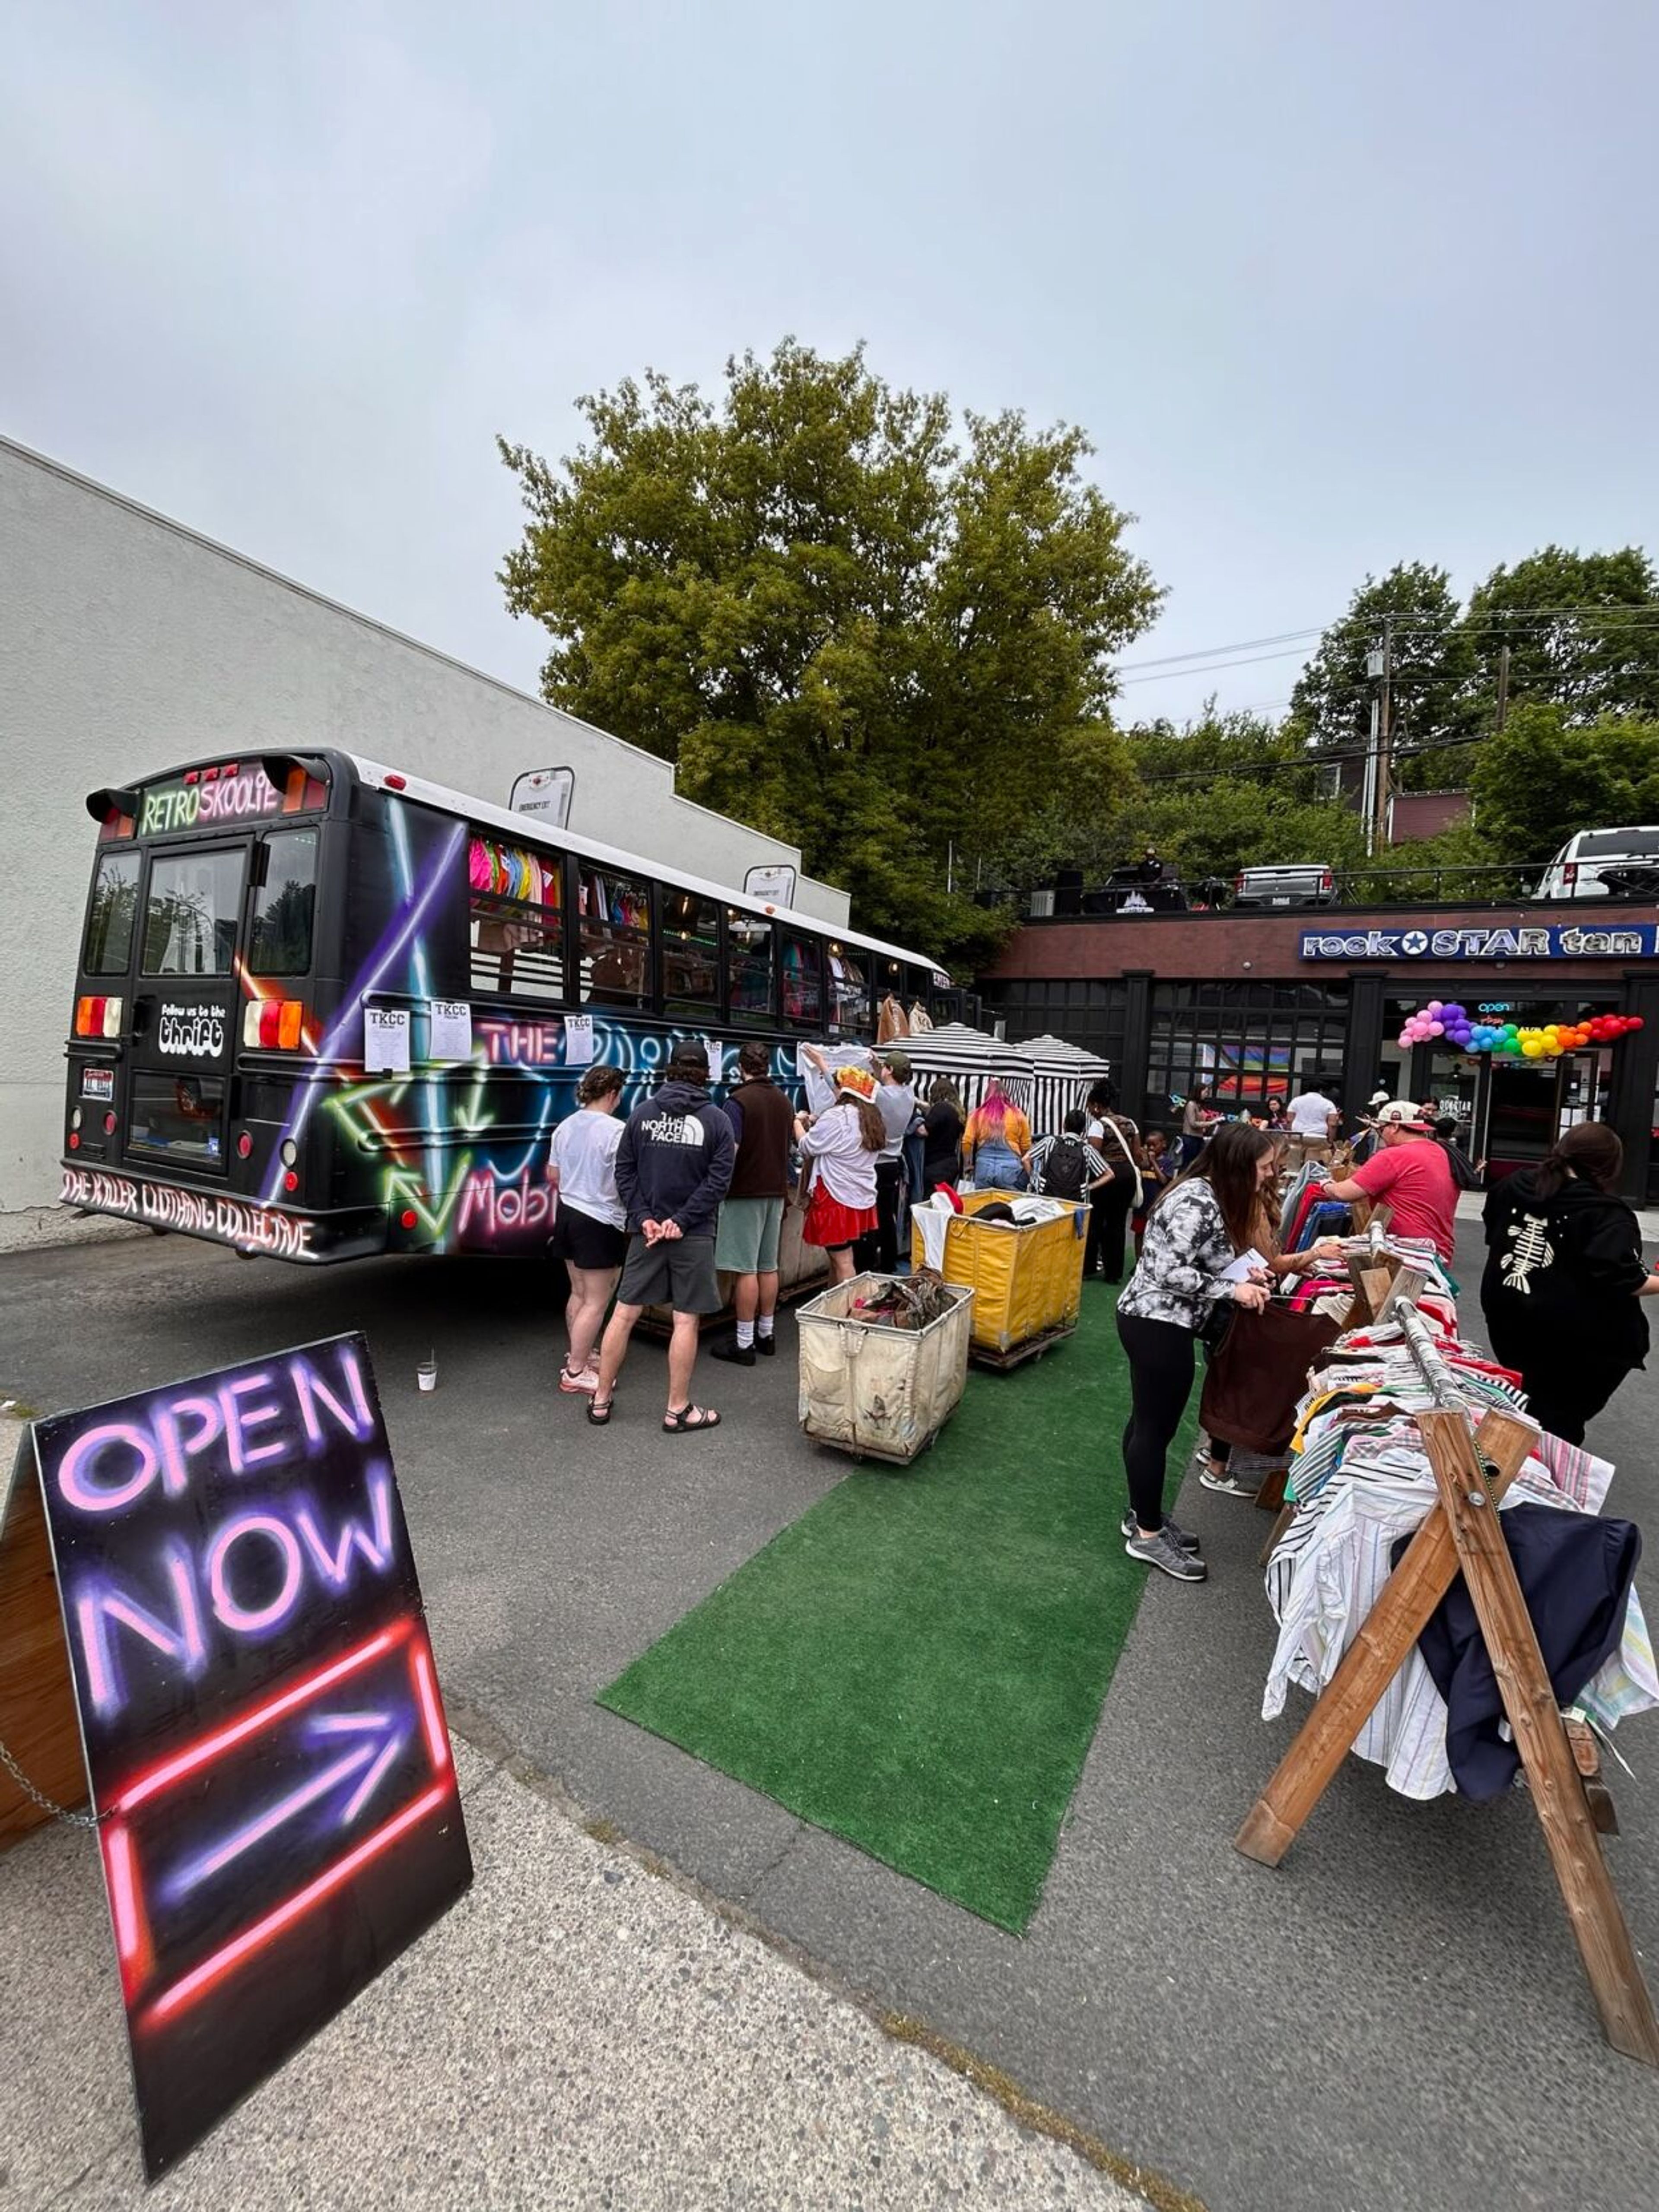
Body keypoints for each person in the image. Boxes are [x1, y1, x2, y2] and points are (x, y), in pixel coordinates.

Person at [1115, 1124, 1275, 1582]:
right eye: (1264, 1167)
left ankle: (1142, 1515)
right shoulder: (1197, 1199)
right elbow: (1168, 1271)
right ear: (1240, 1164)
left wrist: (1248, 1277)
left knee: (1148, 1424)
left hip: (1160, 1322)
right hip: (1157, 1323)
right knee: (1153, 1429)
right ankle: (1146, 1535)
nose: (1269, 1175)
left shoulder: (1208, 1195)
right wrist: (1233, 1289)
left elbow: (1203, 1258)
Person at [1480, 1122, 1659, 1444]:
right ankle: (1540, 1480)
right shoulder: (1603, 1213)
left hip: (1511, 1319)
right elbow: (1624, 1279)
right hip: (1576, 1342)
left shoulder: (1512, 1186)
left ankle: (1515, 1464)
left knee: (1530, 1405)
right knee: (1559, 1422)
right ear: (1609, 1166)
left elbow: (1494, 1231)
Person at [587, 1042, 734, 1433]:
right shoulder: (718, 1122)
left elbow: (625, 1172)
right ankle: (677, 1410)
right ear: (705, 1075)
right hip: (695, 1234)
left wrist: (645, 1218)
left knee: (623, 1313)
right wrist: (682, 1221)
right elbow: (718, 1183)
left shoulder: (641, 1115)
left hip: (646, 1235)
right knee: (686, 1321)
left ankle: (600, 1399)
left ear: (668, 1071)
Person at [709, 1041, 795, 1367]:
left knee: (745, 1270)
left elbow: (729, 1153)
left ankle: (744, 1343)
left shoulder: (737, 1102)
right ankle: (767, 1334)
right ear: (768, 1065)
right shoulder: (784, 1101)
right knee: (767, 1266)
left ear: (741, 1067)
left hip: (744, 1193)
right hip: (776, 1192)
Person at [547, 1064, 629, 1394]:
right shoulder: (616, 1131)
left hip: (566, 1213)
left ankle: (580, 1353)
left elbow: (553, 1174)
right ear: (612, 1094)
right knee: (597, 1300)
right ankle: (576, 1371)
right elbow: (626, 1180)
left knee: (578, 1293)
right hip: (599, 1219)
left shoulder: (565, 1126)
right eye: (619, 1094)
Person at [1323, 1100, 1459, 1261]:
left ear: (1394, 1127)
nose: (1381, 1135)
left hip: (1405, 1252)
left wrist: (1325, 1184)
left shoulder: (1394, 1156)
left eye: (1381, 1129)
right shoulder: (1438, 1151)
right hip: (1437, 1249)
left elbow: (1343, 1193)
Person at [797, 1066, 883, 1282]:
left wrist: (797, 1123)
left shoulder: (837, 1117)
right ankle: (833, 1304)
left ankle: (849, 1311)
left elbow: (807, 1146)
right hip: (860, 1197)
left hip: (835, 1197)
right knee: (840, 1260)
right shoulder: (872, 1118)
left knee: (843, 1262)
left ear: (844, 1090)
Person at [855, 1050, 917, 1274]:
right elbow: (887, 1083)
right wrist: (875, 1063)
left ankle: (867, 1264)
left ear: (889, 1071)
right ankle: (889, 1264)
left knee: (870, 1215)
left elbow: (867, 1087)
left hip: (875, 1162)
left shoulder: (881, 1095)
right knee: (886, 1216)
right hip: (894, 1162)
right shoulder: (909, 1095)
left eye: (885, 1067)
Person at [1082, 1081, 1143, 1282]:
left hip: (1106, 1175)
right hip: (1127, 1175)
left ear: (1096, 1105)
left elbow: (1094, 1156)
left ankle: (1089, 1266)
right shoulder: (1130, 1123)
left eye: (1090, 1106)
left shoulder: (1098, 1126)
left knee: (1096, 1221)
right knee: (1117, 1223)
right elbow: (1137, 1155)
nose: (1090, 1111)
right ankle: (1114, 1273)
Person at [1024, 1109, 1114, 1202]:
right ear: (1083, 1129)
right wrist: (1088, 1188)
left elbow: (1026, 1160)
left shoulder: (1049, 1142)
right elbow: (1109, 1174)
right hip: (1075, 1202)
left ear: (1064, 1125)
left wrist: (1035, 1181)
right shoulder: (1087, 1150)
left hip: (1047, 1198)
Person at [962, 1079, 1032, 1190]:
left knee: (984, 1205)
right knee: (1010, 1205)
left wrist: (967, 1164)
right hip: (1010, 1168)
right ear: (1006, 1093)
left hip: (983, 1166)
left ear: (987, 1094)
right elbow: (1026, 1145)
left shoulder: (977, 1114)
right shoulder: (1018, 1114)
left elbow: (967, 1142)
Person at [920, 1077, 964, 1196]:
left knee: (933, 1202)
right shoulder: (957, 1112)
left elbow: (924, 1131)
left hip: (936, 1165)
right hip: (950, 1163)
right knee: (945, 1202)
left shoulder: (940, 1108)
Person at [1283, 1078, 1340, 1168]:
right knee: (1311, 1168)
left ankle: (1292, 1178)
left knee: (1293, 1166)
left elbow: (1290, 1120)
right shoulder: (1328, 1104)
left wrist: (1290, 1136)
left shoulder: (1296, 1101)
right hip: (1318, 1138)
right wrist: (1331, 1140)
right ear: (1321, 1091)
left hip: (1298, 1135)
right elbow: (1332, 1124)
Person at [1431, 1115, 1483, 1191]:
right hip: (1446, 1190)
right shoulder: (1451, 1151)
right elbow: (1463, 1176)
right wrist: (1477, 1170)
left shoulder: (1433, 1147)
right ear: (1453, 1132)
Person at [1179, 1090, 1212, 1169]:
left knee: (1198, 1162)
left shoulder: (1200, 1106)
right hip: (1191, 1137)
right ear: (1199, 1092)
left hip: (1199, 1137)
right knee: (1188, 1163)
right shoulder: (1191, 1104)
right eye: (1206, 1092)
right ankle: (1183, 1178)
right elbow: (1193, 1123)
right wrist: (1211, 1123)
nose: (1207, 1095)